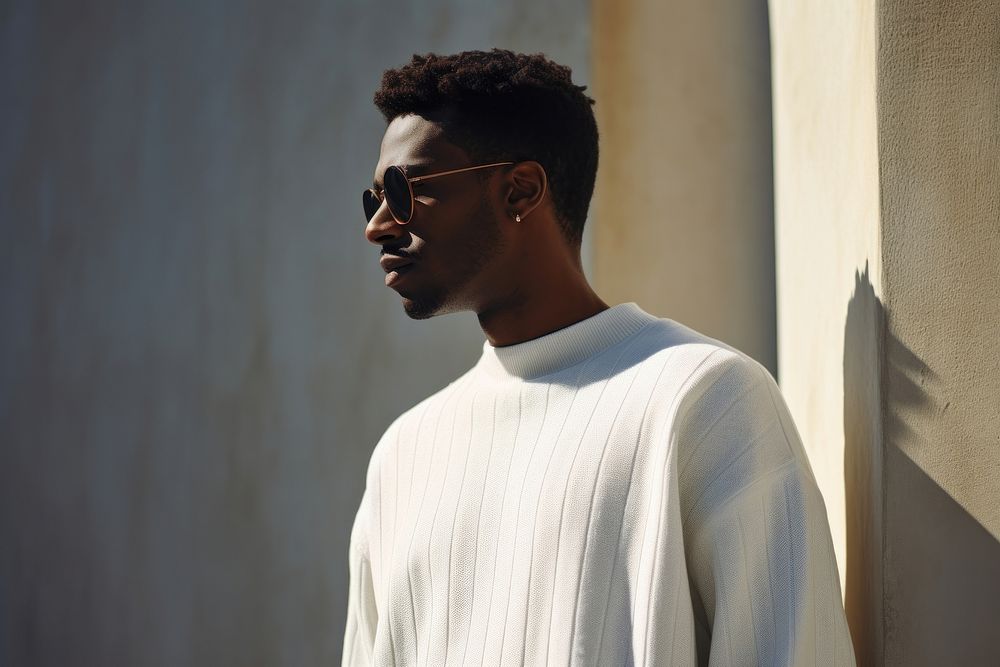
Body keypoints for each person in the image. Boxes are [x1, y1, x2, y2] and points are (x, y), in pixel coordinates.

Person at [343, 49, 855, 666]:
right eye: (372, 197)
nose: (378, 225)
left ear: (520, 190)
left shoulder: (702, 398)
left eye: (402, 190)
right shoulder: (404, 454)